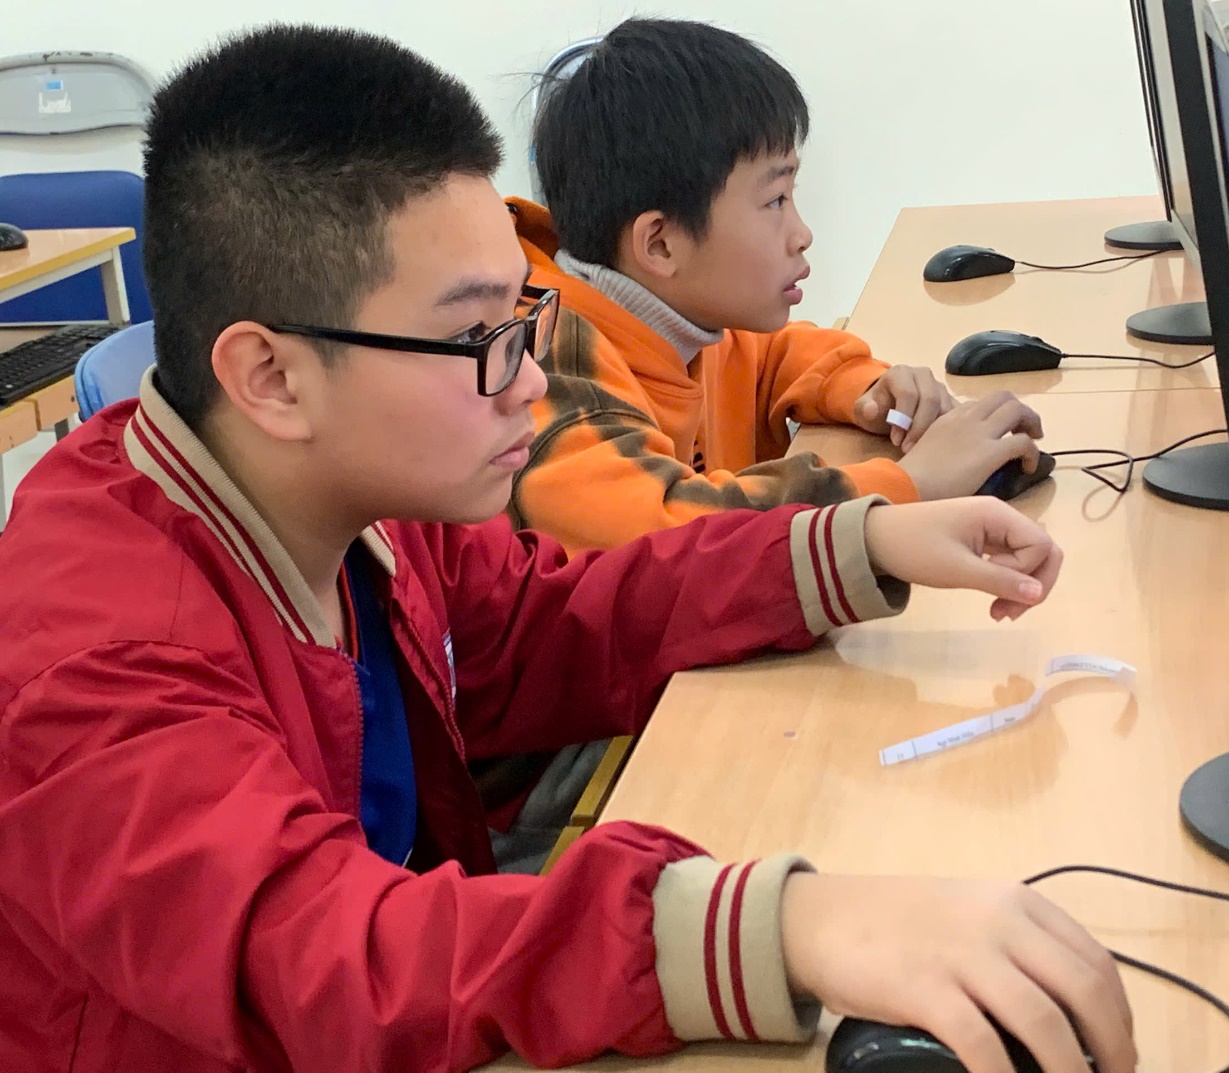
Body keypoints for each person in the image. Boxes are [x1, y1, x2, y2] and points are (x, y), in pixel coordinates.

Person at [0, 25, 1133, 1073]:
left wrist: (854, 540)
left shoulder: (369, 503)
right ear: (271, 376)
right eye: (473, 340)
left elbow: (554, 621)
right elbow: (323, 949)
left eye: (522, 326)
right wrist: (775, 922)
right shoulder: (89, 649)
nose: (531, 380)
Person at [508, 17, 1045, 551]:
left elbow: (770, 357)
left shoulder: (683, 315)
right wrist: (914, 484)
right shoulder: (544, 377)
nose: (803, 234)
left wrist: (868, 388)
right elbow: (671, 536)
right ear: (660, 245)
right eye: (774, 201)